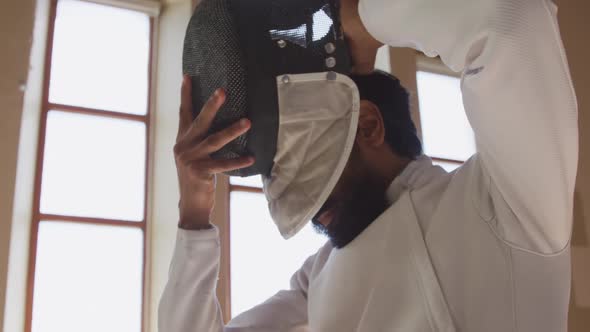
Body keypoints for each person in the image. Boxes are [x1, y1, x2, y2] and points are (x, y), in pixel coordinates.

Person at [159, 0, 579, 331]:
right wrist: (193, 216)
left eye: (300, 155)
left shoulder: (506, 204)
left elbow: (510, 19)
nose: (294, 190)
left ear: (368, 124)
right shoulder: (317, 279)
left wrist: (359, 24)